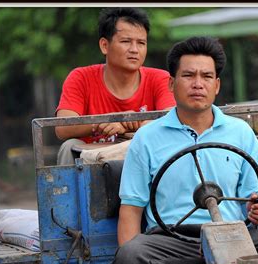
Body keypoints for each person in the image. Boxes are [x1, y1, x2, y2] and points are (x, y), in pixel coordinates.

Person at [112, 36, 258, 264]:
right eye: (188, 75)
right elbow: (130, 210)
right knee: (131, 257)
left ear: (217, 85)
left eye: (206, 76)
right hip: (173, 241)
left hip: (235, 236)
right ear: (171, 84)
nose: (197, 83)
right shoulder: (147, 138)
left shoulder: (240, 132)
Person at [55, 7, 176, 165]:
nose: (134, 50)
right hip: (93, 161)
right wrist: (106, 122)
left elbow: (172, 117)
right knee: (68, 146)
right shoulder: (81, 77)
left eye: (141, 43)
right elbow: (63, 127)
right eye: (126, 41)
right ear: (105, 45)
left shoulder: (160, 78)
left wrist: (134, 122)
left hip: (143, 159)